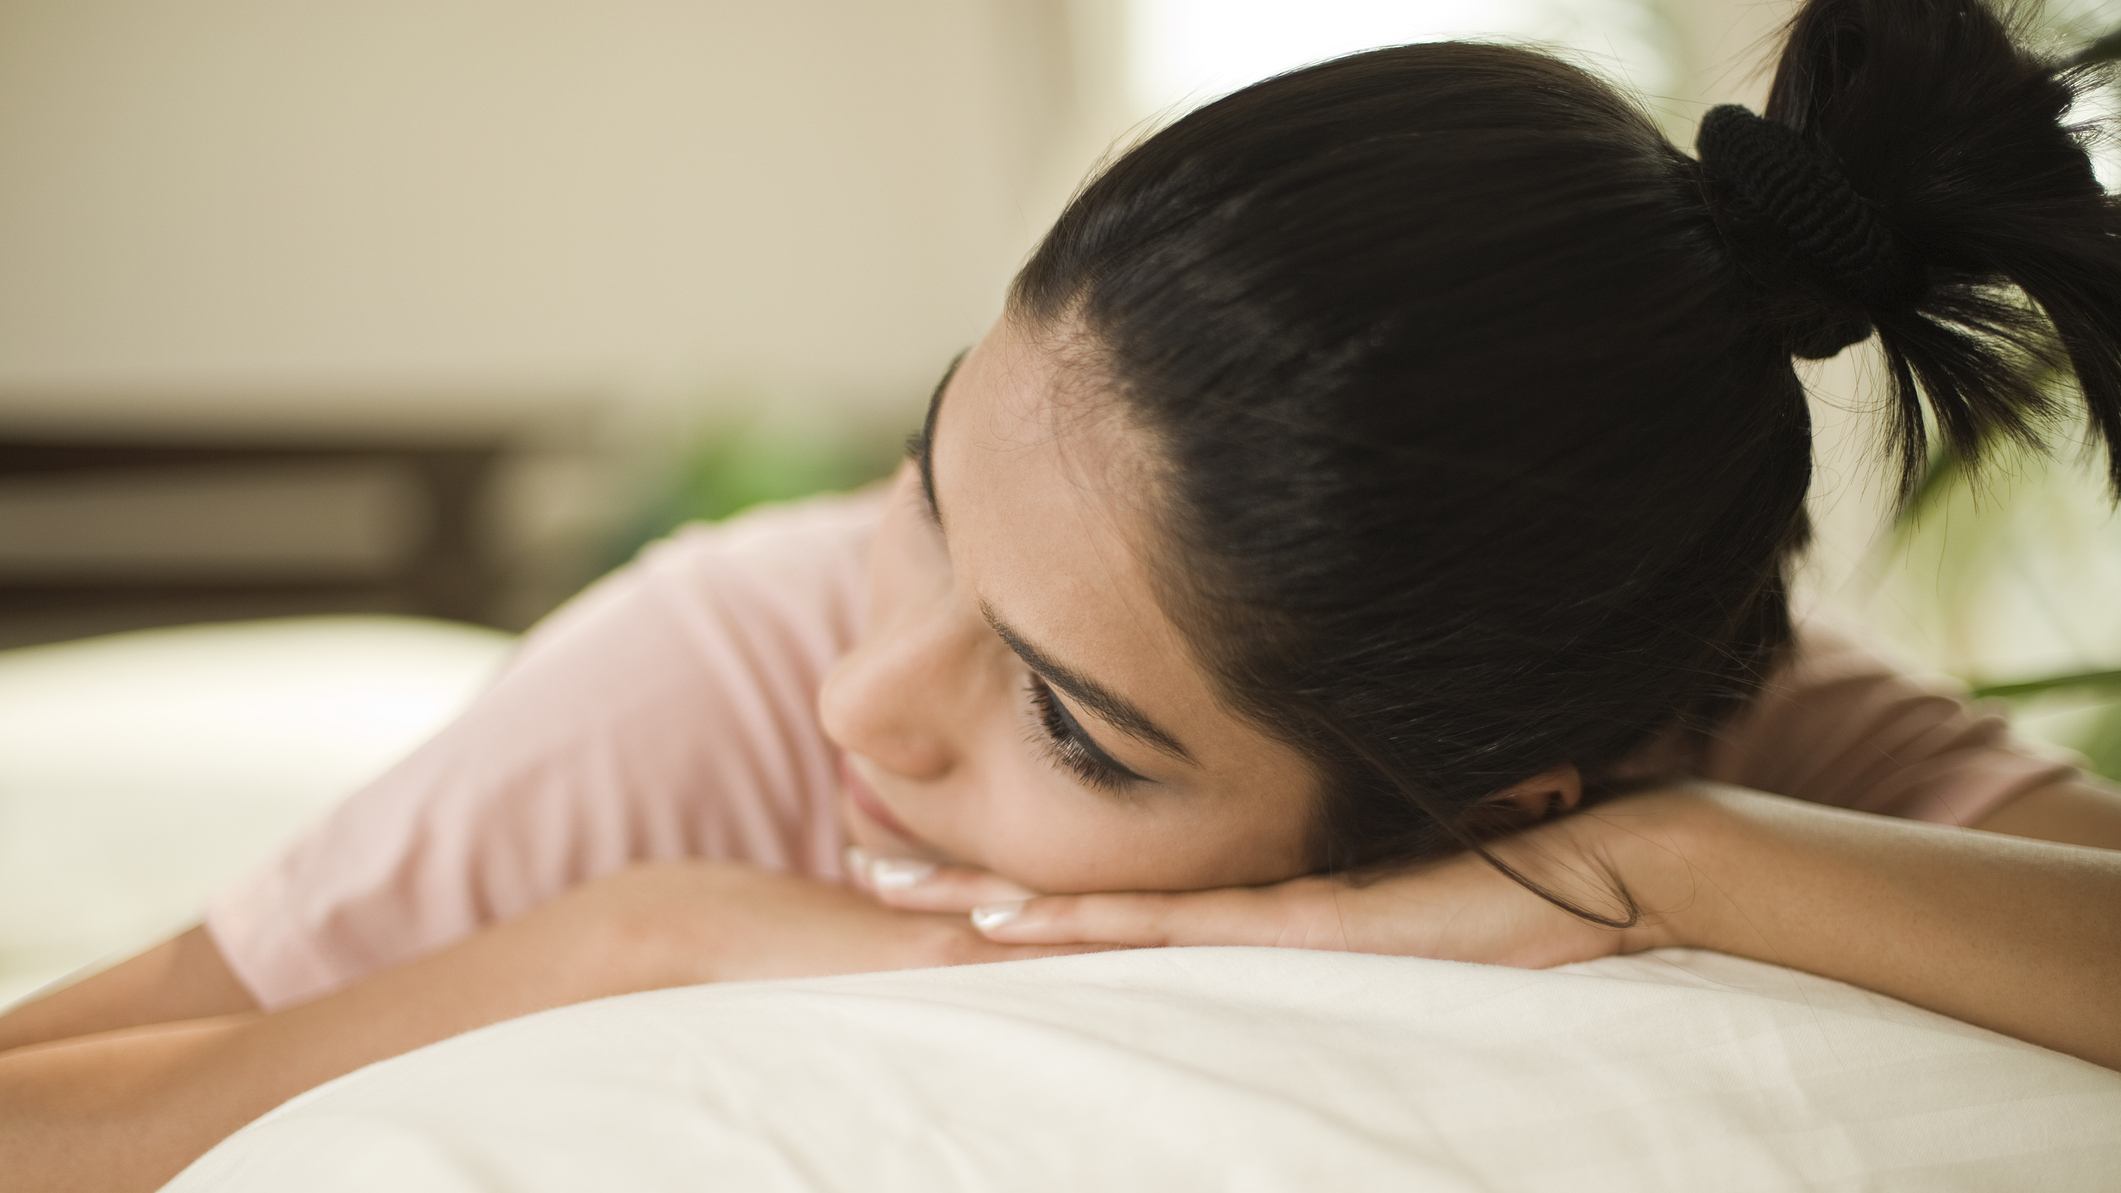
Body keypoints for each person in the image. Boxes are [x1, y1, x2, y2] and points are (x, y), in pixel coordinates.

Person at [6, 0, 2121, 1185]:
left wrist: (1673, 866)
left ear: (1498, 803)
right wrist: (622, 940)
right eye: (933, 490)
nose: (869, 703)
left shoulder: (1714, 730)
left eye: (1062, 720)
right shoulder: (734, 670)